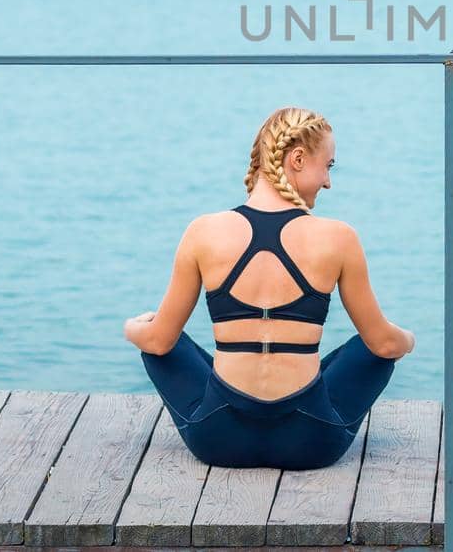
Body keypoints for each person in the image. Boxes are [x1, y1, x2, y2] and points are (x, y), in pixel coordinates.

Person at [126, 106, 415, 469]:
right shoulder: (339, 238)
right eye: (328, 166)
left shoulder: (203, 231)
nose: (328, 182)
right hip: (311, 441)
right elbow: (385, 345)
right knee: (375, 346)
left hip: (219, 438)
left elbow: (159, 343)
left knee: (158, 337)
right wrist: (407, 340)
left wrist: (132, 328)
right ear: (297, 159)